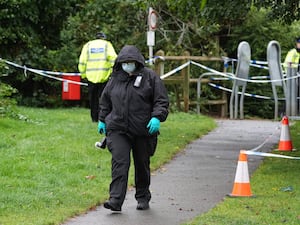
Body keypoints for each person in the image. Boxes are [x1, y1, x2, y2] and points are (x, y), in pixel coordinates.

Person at [98, 45, 169, 211]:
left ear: (137, 62)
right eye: (124, 62)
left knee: (141, 164)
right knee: (120, 163)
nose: (127, 65)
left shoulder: (150, 77)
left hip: (143, 130)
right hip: (118, 129)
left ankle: (143, 196)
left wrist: (156, 117)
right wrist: (102, 120)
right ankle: (115, 200)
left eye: (131, 62)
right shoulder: (114, 79)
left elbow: (161, 100)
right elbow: (105, 101)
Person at [78, 32, 117, 122]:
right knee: (104, 99)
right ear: (104, 38)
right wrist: (113, 72)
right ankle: (102, 118)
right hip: (104, 76)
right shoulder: (107, 45)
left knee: (93, 99)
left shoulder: (88, 45)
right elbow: (114, 59)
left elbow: (82, 61)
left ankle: (94, 118)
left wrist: (84, 74)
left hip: (91, 77)